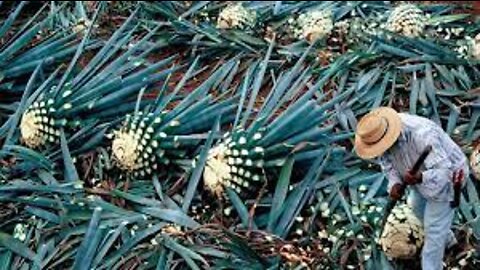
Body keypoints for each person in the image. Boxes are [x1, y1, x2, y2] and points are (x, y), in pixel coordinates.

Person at [354, 107, 468, 270]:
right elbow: (387, 163)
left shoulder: (422, 134)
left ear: (389, 135)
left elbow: (446, 172)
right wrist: (395, 183)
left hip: (448, 178)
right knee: (416, 207)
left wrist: (421, 177)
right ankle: (449, 241)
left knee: (433, 231)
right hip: (415, 178)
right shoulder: (376, 135)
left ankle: (432, 264)